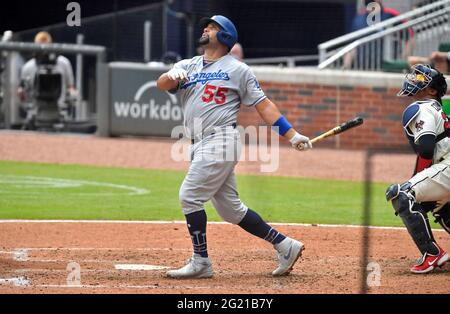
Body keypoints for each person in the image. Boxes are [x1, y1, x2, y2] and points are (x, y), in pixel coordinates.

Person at [157, 15, 312, 279]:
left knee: (189, 196)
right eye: (207, 26)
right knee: (231, 210)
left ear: (226, 36)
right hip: (198, 143)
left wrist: (292, 134)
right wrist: (171, 75)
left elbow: (264, 105)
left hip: (220, 140)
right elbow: (162, 84)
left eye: (213, 27)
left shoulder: (238, 69)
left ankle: (200, 261)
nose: (206, 28)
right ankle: (285, 245)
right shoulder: (188, 65)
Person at [386, 64, 450, 274]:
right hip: (445, 167)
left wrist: (414, 180)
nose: (414, 79)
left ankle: (432, 254)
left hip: (448, 166)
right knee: (443, 207)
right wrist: (418, 177)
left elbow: (426, 149)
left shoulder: (420, 107)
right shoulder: (438, 109)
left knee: (401, 194)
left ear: (432, 90)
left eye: (421, 79)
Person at [343, 0, 412, 70]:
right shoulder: (359, 19)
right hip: (361, 67)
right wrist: (346, 65)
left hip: (385, 67)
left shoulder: (390, 14)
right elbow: (352, 46)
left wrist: (404, 59)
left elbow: (410, 35)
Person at [18, 31, 77, 110]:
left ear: (51, 45)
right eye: (40, 47)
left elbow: (70, 87)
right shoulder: (28, 67)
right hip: (36, 109)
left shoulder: (64, 63)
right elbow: (22, 91)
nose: (44, 52)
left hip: (59, 108)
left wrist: (72, 95)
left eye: (46, 46)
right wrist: (21, 93)